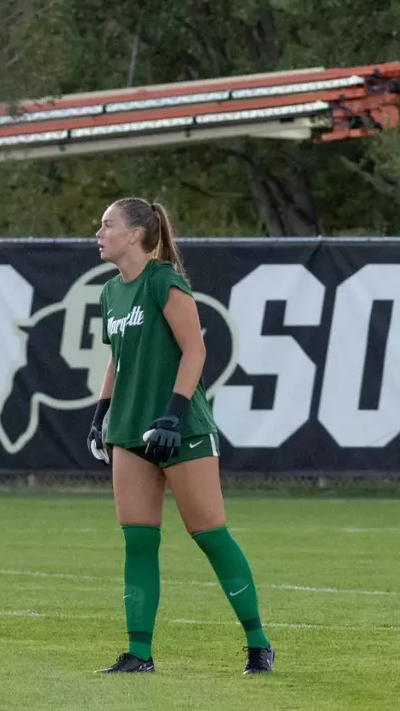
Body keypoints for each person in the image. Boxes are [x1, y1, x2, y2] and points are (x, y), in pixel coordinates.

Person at [87, 197, 274, 676]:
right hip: (129, 428)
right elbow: (117, 358)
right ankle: (139, 654)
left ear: (134, 235)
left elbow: (195, 350)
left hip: (181, 427)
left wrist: (172, 417)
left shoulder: (163, 281)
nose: (99, 232)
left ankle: (258, 644)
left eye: (107, 225)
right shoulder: (111, 292)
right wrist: (101, 413)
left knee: (209, 535)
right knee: (138, 541)